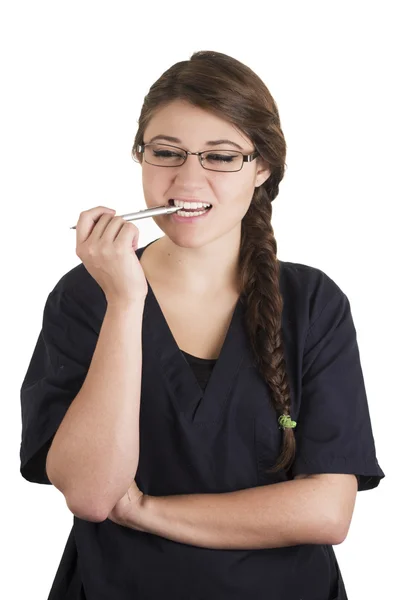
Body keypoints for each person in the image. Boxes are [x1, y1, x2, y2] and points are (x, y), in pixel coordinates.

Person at [20, 50, 385, 600]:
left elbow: (327, 512)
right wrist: (124, 301)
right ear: (140, 157)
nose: (186, 180)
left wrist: (146, 512)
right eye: (166, 152)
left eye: (220, 157)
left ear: (261, 168)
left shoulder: (313, 303)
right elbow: (93, 495)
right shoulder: (86, 296)